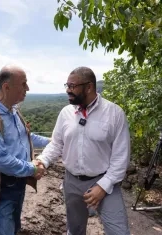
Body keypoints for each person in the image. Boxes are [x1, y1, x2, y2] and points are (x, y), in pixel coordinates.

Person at [35, 66, 131, 235]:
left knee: (119, 231)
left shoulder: (114, 113)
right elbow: (57, 143)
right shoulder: (66, 113)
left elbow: (121, 157)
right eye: (67, 85)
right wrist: (42, 160)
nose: (68, 90)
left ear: (89, 87)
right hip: (71, 182)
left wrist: (103, 187)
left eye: (72, 86)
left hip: (104, 181)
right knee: (75, 230)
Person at [0, 65, 51, 235]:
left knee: (13, 227)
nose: (27, 88)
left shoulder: (13, 111)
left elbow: (26, 136)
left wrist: (53, 142)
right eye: (23, 84)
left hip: (18, 181)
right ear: (7, 87)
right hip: (1, 187)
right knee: (4, 229)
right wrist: (33, 168)